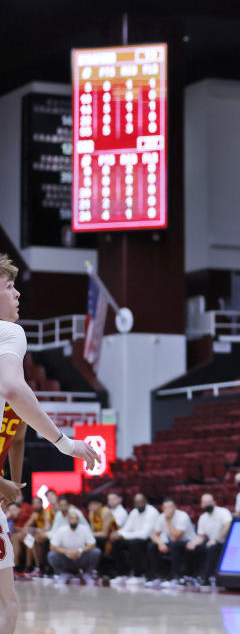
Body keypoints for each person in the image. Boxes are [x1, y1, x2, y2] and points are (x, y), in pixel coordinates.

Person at [0, 253, 99, 634]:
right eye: (9, 287)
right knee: (7, 604)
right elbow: (12, 386)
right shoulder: (9, 333)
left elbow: (18, 431)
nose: (18, 294)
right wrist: (63, 443)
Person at [145, 498, 196, 588]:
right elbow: (154, 535)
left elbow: (176, 537)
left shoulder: (182, 516)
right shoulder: (161, 517)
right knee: (152, 546)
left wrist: (168, 521)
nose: (168, 510)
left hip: (187, 543)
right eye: (166, 508)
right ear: (162, 509)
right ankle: (158, 576)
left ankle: (175, 577)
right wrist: (160, 543)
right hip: (172, 542)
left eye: (170, 507)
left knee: (175, 544)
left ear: (175, 507)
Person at [110, 493, 158, 584]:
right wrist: (117, 534)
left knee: (135, 543)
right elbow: (126, 529)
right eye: (136, 502)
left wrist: (123, 535)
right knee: (116, 542)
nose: (139, 504)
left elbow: (144, 535)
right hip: (134, 538)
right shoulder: (134, 512)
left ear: (145, 502)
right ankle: (123, 574)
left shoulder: (152, 512)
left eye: (141, 502)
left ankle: (138, 575)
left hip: (150, 539)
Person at [186, 493, 232, 586]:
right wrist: (193, 543)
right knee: (192, 549)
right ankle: (191, 576)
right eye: (205, 502)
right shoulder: (203, 518)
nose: (207, 504)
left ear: (214, 502)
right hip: (211, 543)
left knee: (212, 549)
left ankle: (206, 578)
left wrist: (217, 540)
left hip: (225, 543)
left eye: (209, 502)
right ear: (202, 504)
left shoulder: (223, 512)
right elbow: (201, 536)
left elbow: (228, 526)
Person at [48, 510, 100, 583]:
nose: (74, 520)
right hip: (66, 558)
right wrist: (67, 552)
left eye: (76, 518)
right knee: (52, 555)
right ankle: (61, 573)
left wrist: (80, 551)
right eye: (72, 518)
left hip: (80, 557)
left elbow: (93, 544)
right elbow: (52, 547)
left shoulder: (84, 529)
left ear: (78, 520)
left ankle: (88, 573)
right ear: (68, 520)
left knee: (96, 552)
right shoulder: (61, 530)